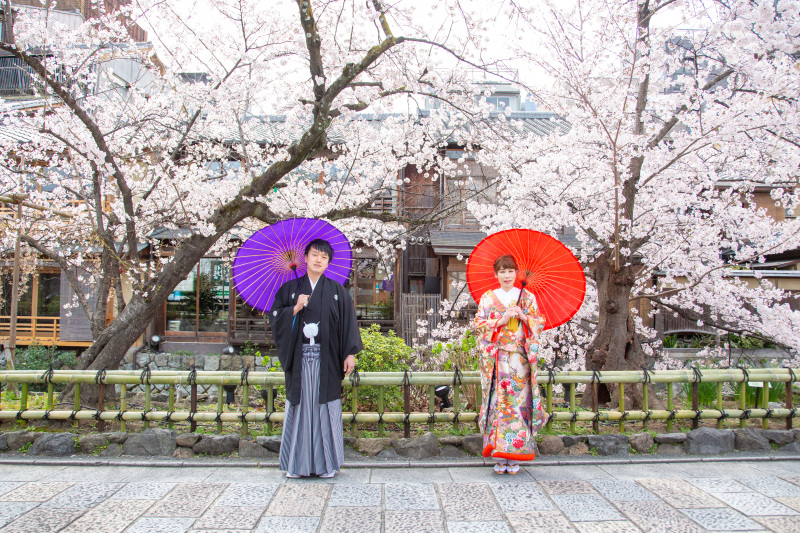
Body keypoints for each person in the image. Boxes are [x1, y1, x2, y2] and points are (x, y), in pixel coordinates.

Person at [269, 238, 363, 479]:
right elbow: (275, 317)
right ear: (306, 258)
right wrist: (294, 309)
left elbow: (348, 324)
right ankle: (296, 465)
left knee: (324, 408)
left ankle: (326, 464)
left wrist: (350, 353)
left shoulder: (336, 291)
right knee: (300, 408)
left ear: (328, 262)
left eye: (324, 257)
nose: (319, 260)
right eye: (314, 255)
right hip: (300, 360)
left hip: (327, 360)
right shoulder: (290, 290)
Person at [473, 254, 547, 474]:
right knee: (498, 403)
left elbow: (539, 321)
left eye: (510, 271)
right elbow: (478, 325)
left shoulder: (527, 297)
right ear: (496, 274)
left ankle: (516, 455)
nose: (507, 275)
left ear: (517, 274)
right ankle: (499, 452)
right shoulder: (488, 297)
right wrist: (500, 321)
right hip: (497, 361)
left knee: (518, 403)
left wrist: (524, 317)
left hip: (518, 361)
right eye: (502, 271)